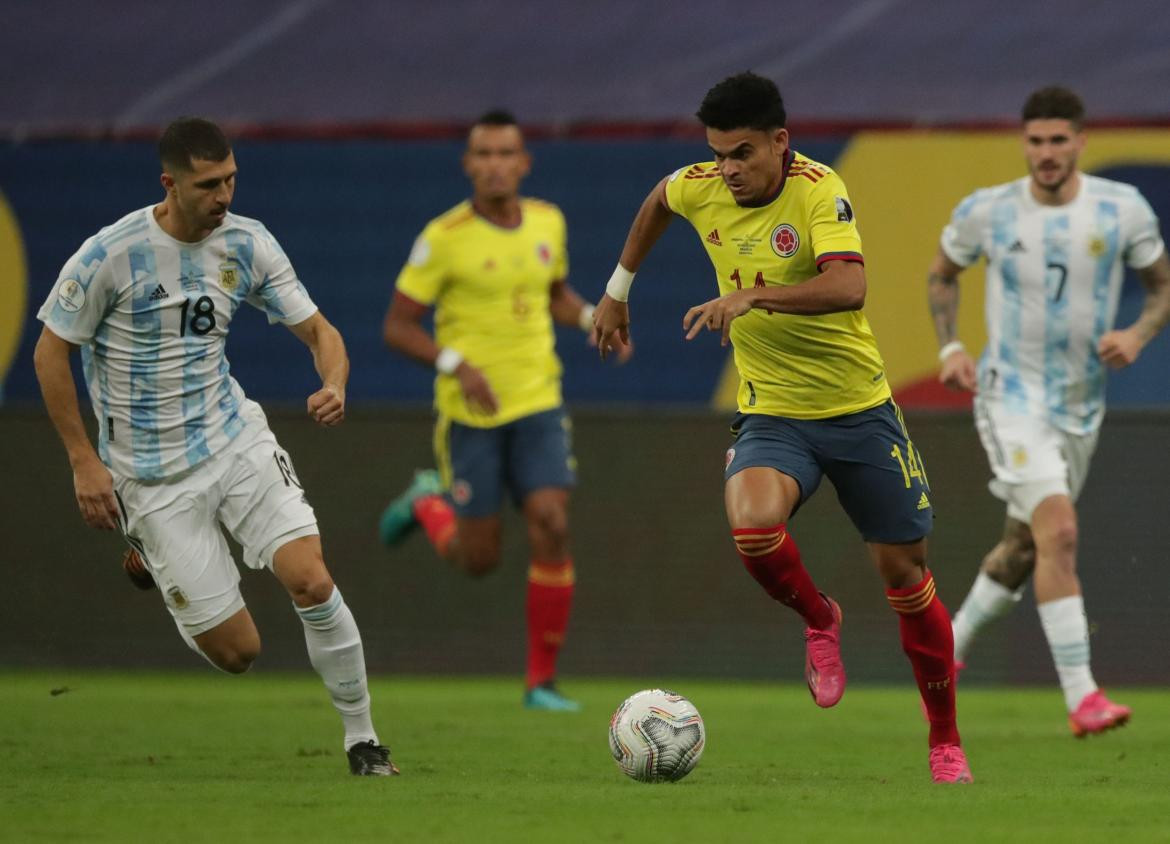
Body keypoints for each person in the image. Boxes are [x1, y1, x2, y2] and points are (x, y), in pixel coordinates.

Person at [591, 72, 971, 783]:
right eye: (718, 154)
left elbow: (850, 285)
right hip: (774, 411)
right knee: (753, 526)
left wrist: (754, 295)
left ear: (780, 143)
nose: (728, 169)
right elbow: (657, 202)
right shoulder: (700, 183)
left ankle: (944, 740)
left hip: (859, 410)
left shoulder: (820, 190)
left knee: (907, 576)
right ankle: (821, 618)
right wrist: (617, 290)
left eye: (742, 153)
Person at [33, 117, 398, 776]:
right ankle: (150, 546)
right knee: (239, 653)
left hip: (234, 442)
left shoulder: (247, 244)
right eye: (208, 185)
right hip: (148, 477)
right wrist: (84, 461)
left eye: (230, 179)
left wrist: (335, 382)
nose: (224, 195)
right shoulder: (109, 255)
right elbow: (49, 352)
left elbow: (321, 332)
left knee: (312, 580)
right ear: (169, 184)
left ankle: (364, 741)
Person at [927, 86, 1170, 736]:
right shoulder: (991, 212)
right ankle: (1084, 696)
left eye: (1059, 140)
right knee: (1059, 531)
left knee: (1024, 547)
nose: (1047, 153)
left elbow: (1161, 286)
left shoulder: (1122, 210)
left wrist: (1139, 335)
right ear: (1024, 144)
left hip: (1080, 406)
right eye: (1036, 141)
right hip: (1009, 397)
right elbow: (942, 274)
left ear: (1081, 143)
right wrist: (950, 346)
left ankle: (943, 648)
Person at [377, 110, 624, 711]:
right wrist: (456, 364)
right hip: (471, 417)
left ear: (523, 162)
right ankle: (427, 502)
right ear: (468, 165)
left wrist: (595, 319)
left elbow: (553, 295)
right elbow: (397, 327)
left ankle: (540, 683)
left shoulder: (548, 221)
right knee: (478, 560)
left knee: (552, 523)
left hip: (538, 400)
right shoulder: (444, 237)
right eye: (482, 154)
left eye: (504, 153)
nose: (493, 164)